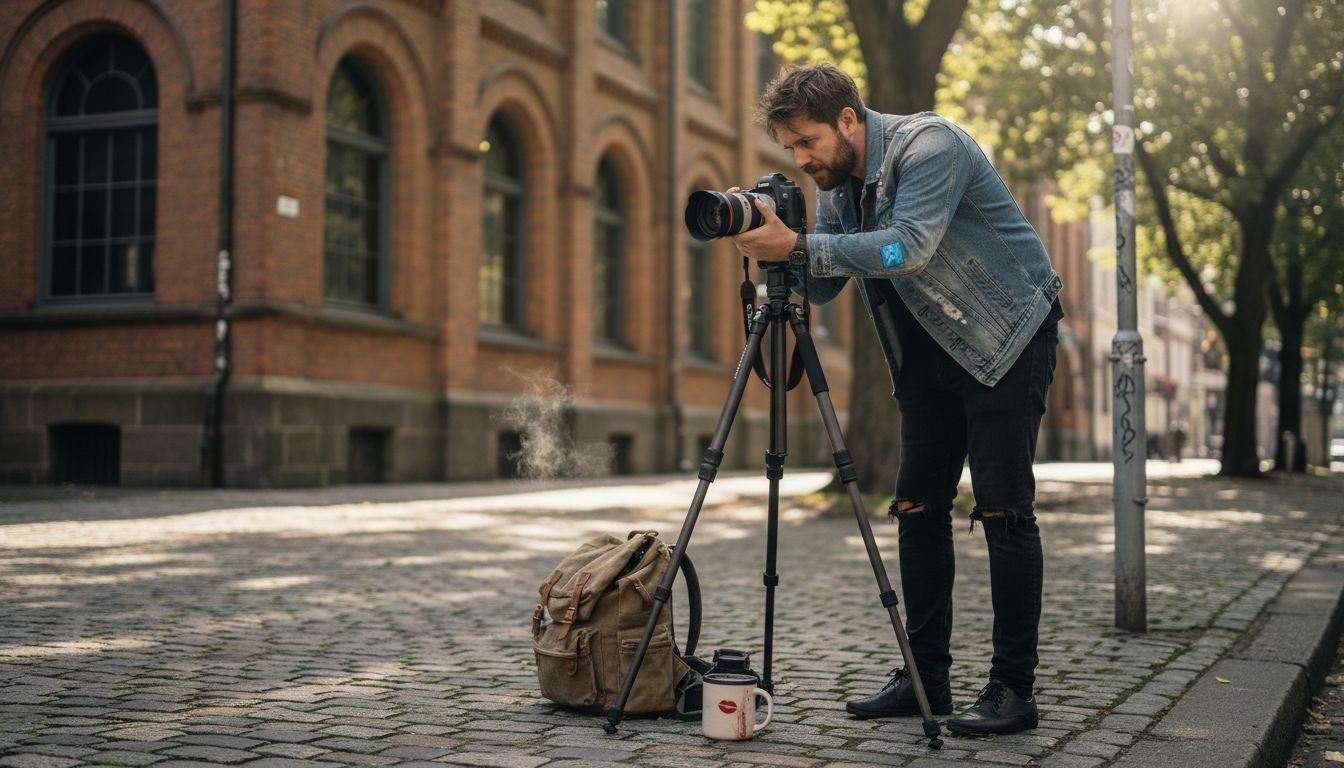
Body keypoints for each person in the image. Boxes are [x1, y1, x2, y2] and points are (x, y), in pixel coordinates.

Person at [728, 62, 1062, 736]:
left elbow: (907, 248)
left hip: (1007, 336)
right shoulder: (837, 188)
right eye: (791, 149)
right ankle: (925, 676)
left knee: (1002, 509)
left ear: (849, 119)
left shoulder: (930, 146)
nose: (802, 159)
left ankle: (1012, 690)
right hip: (928, 356)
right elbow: (824, 285)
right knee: (916, 506)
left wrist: (805, 244)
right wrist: (775, 242)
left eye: (809, 143)